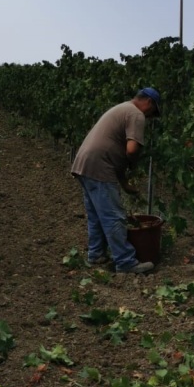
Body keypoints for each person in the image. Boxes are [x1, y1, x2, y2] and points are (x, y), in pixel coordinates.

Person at [70, 88, 161, 273]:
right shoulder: (136, 114)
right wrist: (133, 164)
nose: (150, 117)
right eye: (153, 113)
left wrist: (125, 184)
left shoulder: (123, 108)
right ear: (149, 103)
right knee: (114, 216)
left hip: (85, 164)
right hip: (99, 166)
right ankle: (126, 262)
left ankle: (96, 254)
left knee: (96, 215)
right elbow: (131, 150)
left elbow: (115, 154)